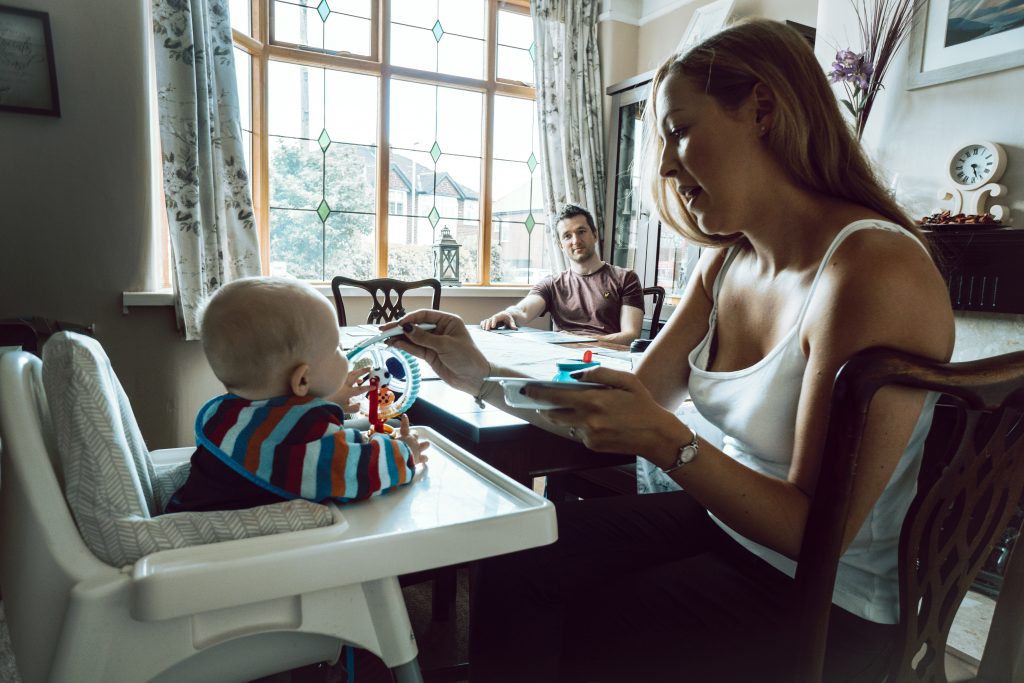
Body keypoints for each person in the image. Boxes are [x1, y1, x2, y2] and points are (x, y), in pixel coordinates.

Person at [385, 18, 955, 682]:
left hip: (829, 595)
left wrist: (670, 443)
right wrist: (481, 376)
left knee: (593, 622)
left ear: (762, 110)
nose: (663, 163)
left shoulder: (870, 270)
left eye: (679, 130)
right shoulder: (728, 261)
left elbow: (812, 532)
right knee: (519, 555)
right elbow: (630, 402)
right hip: (726, 528)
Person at [165, 276, 428, 513]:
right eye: (337, 348)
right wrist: (405, 452)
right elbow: (356, 471)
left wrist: (320, 401)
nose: (345, 354)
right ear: (302, 379)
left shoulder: (222, 414)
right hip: (238, 549)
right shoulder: (305, 434)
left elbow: (275, 416)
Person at [480, 203, 645, 345]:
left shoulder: (626, 278)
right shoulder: (552, 284)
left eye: (581, 231)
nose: (575, 241)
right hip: (562, 359)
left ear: (595, 235)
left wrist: (582, 341)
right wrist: (508, 313)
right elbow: (522, 311)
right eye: (567, 236)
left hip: (607, 358)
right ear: (560, 245)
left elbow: (630, 336)